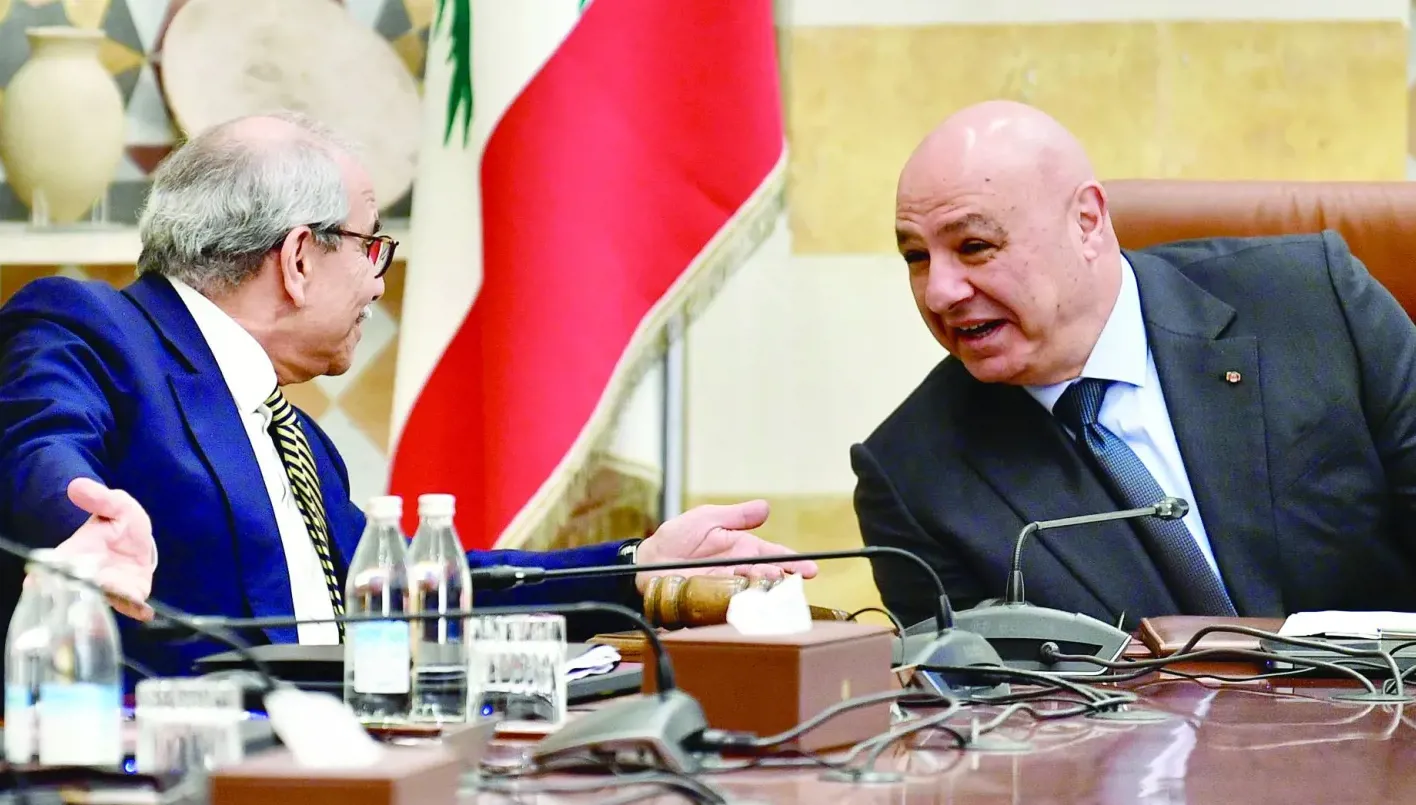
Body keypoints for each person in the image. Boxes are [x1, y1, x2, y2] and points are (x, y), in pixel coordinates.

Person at [0, 111, 816, 686]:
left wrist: (639, 567)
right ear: (298, 259)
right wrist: (78, 521)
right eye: (372, 247)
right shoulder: (91, 326)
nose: (377, 282)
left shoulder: (297, 440)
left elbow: (422, 593)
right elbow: (38, 442)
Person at [854, 99, 1416, 630]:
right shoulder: (913, 478)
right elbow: (980, 692)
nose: (940, 293)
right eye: (917, 257)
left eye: (974, 246)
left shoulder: (1314, 304)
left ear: (1087, 221)